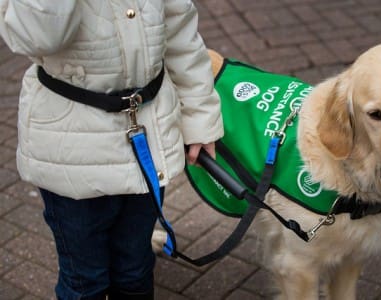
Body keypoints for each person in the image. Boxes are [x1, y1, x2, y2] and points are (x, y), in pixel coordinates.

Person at [0, 0, 223, 299]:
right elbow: (42, 36)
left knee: (135, 268)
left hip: (144, 135)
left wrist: (199, 115)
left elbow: (181, 34)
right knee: (85, 279)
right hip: (72, 150)